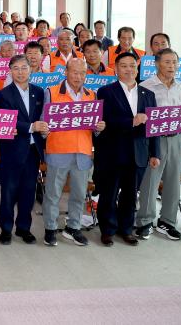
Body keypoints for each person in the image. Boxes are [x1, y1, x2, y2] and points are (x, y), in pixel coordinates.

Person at [95, 53, 160, 246]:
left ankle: (126, 229)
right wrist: (131, 121)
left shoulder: (148, 94)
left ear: (137, 67)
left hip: (138, 152)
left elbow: (152, 126)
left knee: (131, 195)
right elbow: (105, 121)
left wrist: (154, 153)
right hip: (113, 151)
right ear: (115, 68)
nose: (129, 69)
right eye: (123, 66)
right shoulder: (106, 91)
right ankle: (107, 230)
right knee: (109, 193)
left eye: (132, 65)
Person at [41, 59, 104, 247]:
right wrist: (45, 128)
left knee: (79, 194)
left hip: (83, 152)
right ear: (66, 72)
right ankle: (50, 229)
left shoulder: (91, 95)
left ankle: (73, 227)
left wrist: (99, 127)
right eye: (74, 72)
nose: (78, 77)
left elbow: (96, 128)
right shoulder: (51, 92)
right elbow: (43, 121)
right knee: (53, 194)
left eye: (82, 73)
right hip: (58, 150)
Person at [136, 48, 181, 241]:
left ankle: (167, 222)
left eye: (175, 62)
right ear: (157, 63)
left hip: (177, 138)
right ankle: (144, 221)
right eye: (167, 62)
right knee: (150, 182)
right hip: (154, 139)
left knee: (173, 182)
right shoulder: (145, 86)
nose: (171, 66)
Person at [0, 55, 47, 244]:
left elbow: (43, 117)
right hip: (11, 150)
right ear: (10, 71)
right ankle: (6, 229)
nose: (20, 72)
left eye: (24, 68)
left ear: (30, 70)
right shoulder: (3, 94)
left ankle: (23, 228)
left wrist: (43, 129)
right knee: (9, 192)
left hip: (33, 152)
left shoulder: (39, 92)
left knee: (28, 192)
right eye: (16, 68)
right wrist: (31, 127)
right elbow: (7, 120)